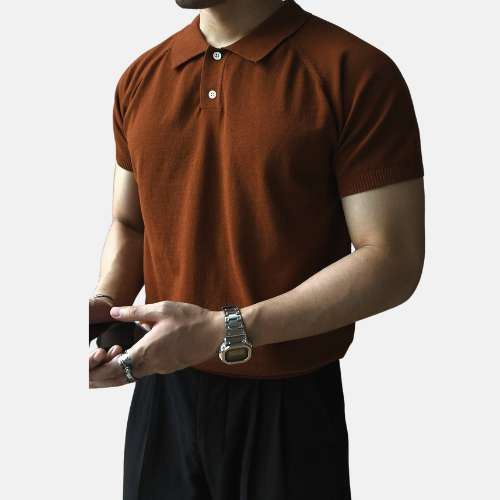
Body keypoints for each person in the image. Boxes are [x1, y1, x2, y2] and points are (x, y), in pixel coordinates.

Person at [88, 0, 425, 498]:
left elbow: (392, 259)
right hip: (162, 396)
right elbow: (130, 222)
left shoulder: (354, 72)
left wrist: (224, 329)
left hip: (290, 405)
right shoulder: (141, 77)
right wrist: (106, 309)